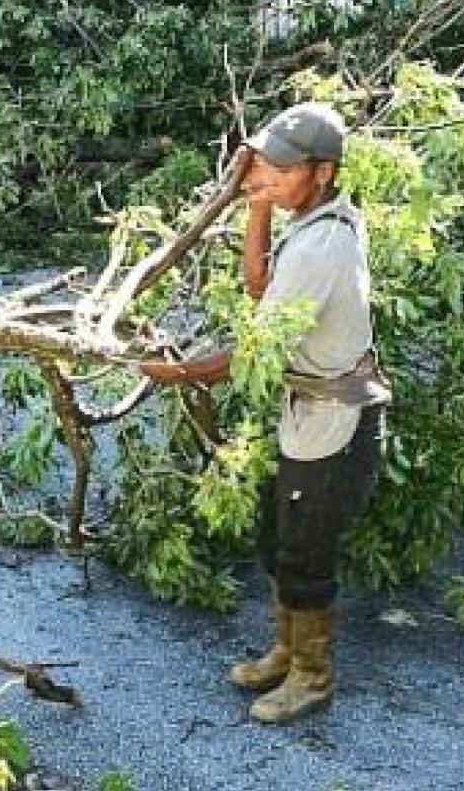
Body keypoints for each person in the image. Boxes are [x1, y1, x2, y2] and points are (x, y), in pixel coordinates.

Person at [140, 102, 391, 724]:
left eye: (283, 168)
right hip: (306, 409)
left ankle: (313, 675)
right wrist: (255, 200)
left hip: (337, 423)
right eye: (265, 163)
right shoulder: (315, 218)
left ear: (324, 171)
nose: (269, 174)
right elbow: (259, 286)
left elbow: (256, 350)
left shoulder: (322, 245)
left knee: (306, 554)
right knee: (278, 540)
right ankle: (287, 650)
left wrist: (178, 374)